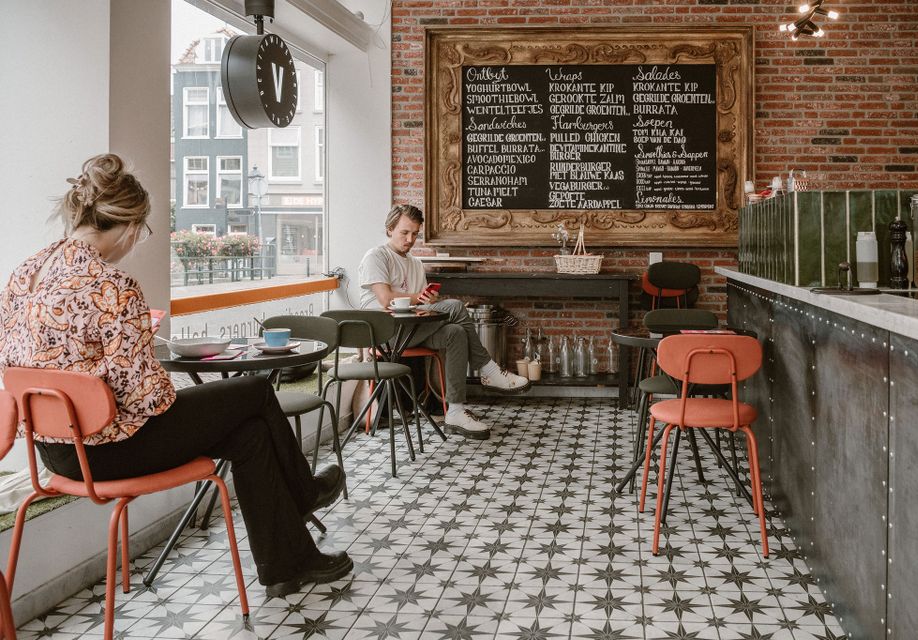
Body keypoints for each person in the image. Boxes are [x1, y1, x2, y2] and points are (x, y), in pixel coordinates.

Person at [0, 154, 349, 599]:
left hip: (53, 452)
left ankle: (287, 565)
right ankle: (305, 493)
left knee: (251, 435)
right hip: (109, 450)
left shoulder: (25, 275)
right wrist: (143, 350)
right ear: (130, 226)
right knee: (256, 391)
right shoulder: (112, 286)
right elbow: (151, 400)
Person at [358, 204, 529, 439]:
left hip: (411, 330)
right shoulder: (376, 256)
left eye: (415, 234)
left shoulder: (416, 264)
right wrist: (421, 297)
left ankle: (455, 411)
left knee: (455, 332)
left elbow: (418, 307)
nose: (410, 239)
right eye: (404, 232)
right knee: (456, 306)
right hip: (385, 333)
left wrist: (429, 301)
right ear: (389, 229)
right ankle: (489, 369)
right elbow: (386, 299)